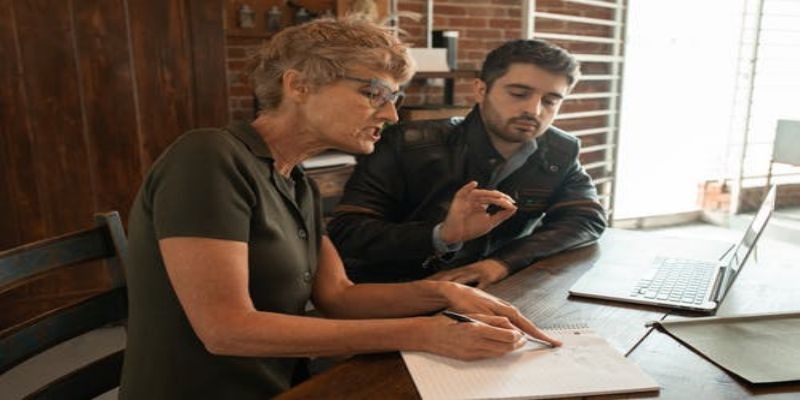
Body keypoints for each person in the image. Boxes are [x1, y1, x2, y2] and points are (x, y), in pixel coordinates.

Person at [119, 19, 559, 400]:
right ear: (298, 84)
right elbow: (227, 329)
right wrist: (422, 331)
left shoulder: (295, 180)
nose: (390, 115)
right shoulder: (208, 156)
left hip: (288, 385)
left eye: (395, 99)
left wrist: (443, 294)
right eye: (374, 93)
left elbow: (339, 296)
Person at [328, 39, 607, 287]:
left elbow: (586, 218)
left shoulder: (559, 150)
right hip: (396, 291)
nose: (534, 110)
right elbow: (347, 231)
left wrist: (501, 263)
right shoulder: (408, 142)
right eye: (519, 94)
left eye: (550, 100)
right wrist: (440, 235)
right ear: (480, 90)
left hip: (495, 290)